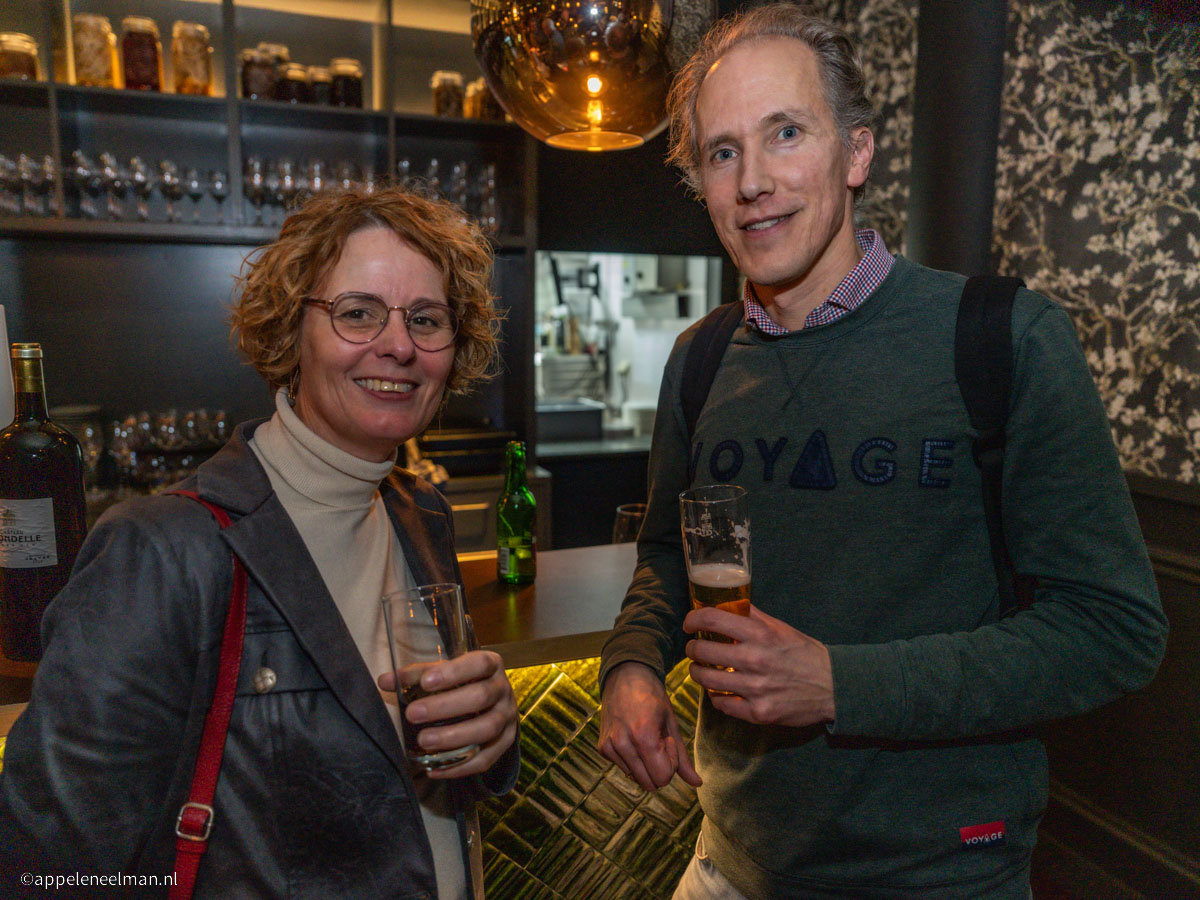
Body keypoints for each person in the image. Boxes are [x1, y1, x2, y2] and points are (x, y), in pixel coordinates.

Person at [597, 6, 1168, 899]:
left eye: (786, 133)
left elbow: (1113, 632)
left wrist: (839, 683)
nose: (753, 181)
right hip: (728, 862)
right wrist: (633, 661)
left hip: (940, 876)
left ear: (856, 154)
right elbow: (670, 553)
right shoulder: (699, 361)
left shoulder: (1004, 337)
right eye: (722, 152)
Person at [0, 185, 519, 899]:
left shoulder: (419, 511)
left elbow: (421, 768)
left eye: (426, 320)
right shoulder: (163, 552)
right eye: (357, 312)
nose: (399, 346)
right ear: (290, 330)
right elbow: (51, 870)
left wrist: (493, 736)